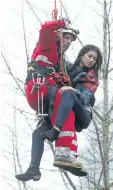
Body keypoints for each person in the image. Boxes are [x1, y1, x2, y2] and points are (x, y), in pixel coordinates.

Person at [15, 19, 80, 181]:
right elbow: (45, 29)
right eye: (66, 38)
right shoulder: (48, 46)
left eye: (70, 41)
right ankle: (63, 153)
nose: (68, 43)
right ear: (58, 35)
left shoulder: (60, 60)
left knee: (38, 133)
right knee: (63, 104)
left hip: (46, 99)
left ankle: (34, 169)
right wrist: (59, 23)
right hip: (43, 91)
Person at [41, 44, 102, 173]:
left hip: (83, 115)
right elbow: (58, 62)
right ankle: (35, 168)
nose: (91, 60)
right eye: (89, 56)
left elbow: (86, 97)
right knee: (38, 132)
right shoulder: (68, 68)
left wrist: (74, 90)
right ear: (82, 54)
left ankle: (56, 130)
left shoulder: (92, 77)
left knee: (68, 93)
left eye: (94, 59)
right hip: (67, 113)